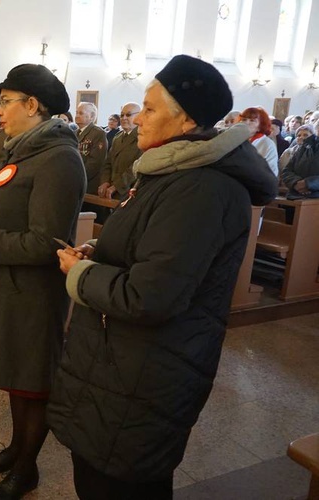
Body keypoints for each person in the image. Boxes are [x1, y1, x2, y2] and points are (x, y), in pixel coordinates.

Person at [47, 54, 277, 500]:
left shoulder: (201, 188)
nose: (138, 119)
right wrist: (100, 251)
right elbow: (150, 249)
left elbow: (150, 296)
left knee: (121, 482)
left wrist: (80, 273)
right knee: (100, 474)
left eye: (150, 109)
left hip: (150, 369)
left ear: (186, 118)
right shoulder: (170, 172)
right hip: (124, 364)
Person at [0, 64, 85, 500]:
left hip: (32, 296)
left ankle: (27, 468)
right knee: (17, 377)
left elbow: (46, 243)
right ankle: (16, 448)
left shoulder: (60, 159)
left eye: (6, 101)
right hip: (7, 289)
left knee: (32, 382)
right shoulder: (23, 151)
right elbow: (12, 211)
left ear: (33, 105)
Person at [98, 102, 142, 201]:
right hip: (110, 191)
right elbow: (108, 162)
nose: (124, 118)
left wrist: (116, 186)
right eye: (122, 115)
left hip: (129, 191)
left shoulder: (142, 137)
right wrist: (105, 181)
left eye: (128, 115)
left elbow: (136, 168)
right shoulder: (117, 137)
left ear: (139, 116)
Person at [75, 102, 108, 199]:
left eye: (81, 113)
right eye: (76, 112)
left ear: (92, 116)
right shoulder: (74, 133)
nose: (76, 116)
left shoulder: (97, 133)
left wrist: (78, 177)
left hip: (89, 183)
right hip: (75, 180)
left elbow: (96, 162)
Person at [238, 107, 279, 176]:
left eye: (252, 120)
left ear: (260, 125)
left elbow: (271, 172)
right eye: (244, 119)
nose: (246, 123)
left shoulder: (267, 144)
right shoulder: (236, 140)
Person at [281, 127, 319, 199]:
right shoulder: (305, 146)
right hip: (295, 195)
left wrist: (308, 183)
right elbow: (287, 171)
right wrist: (296, 182)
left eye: (305, 135)